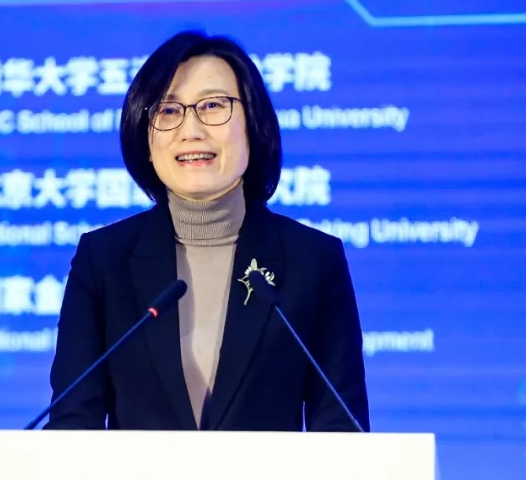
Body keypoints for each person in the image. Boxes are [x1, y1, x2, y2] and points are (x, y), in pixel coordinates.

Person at [43, 30, 369, 432]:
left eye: (213, 106)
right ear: (146, 138)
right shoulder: (104, 260)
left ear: (253, 125)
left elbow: (342, 430)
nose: (191, 130)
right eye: (168, 111)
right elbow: (72, 426)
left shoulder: (313, 260)